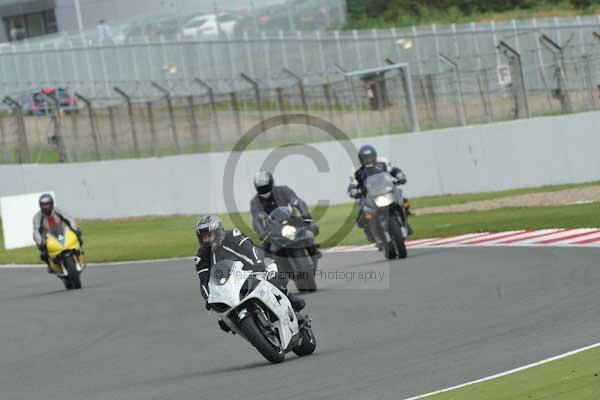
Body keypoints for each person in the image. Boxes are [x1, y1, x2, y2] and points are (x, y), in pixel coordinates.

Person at [194, 215, 305, 331]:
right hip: (229, 285)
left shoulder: (232, 236)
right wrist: (208, 299)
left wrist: (257, 262)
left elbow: (250, 248)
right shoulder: (201, 256)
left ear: (218, 232)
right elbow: (204, 281)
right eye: (203, 237)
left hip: (252, 270)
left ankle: (290, 299)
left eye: (209, 235)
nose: (206, 240)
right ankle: (254, 331)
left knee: (274, 277)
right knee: (224, 323)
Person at [250, 170, 321, 265]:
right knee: (265, 248)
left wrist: (306, 216)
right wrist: (262, 233)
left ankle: (313, 251)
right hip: (272, 228)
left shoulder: (283, 190)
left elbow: (297, 201)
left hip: (291, 221)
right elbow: (256, 219)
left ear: (271, 183)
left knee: (311, 229)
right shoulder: (255, 202)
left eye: (265, 187)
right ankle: (276, 264)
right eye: (261, 188)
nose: (264, 190)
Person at [347, 145, 409, 242]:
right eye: (366, 158)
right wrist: (353, 191)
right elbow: (352, 184)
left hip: (385, 189)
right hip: (368, 194)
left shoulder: (382, 162)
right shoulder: (356, 170)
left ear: (375, 156)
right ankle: (369, 232)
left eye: (371, 157)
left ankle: (404, 222)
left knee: (403, 201)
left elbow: (393, 170)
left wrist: (400, 175)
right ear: (361, 159)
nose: (369, 159)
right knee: (362, 214)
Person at [33, 194, 83, 273]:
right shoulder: (37, 216)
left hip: (59, 232)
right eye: (44, 205)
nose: (46, 207)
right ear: (40, 206)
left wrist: (75, 229)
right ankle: (49, 264)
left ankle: (78, 255)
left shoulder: (58, 210)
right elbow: (36, 230)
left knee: (77, 239)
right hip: (47, 235)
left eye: (48, 204)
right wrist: (41, 242)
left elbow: (68, 219)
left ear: (52, 203)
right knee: (43, 253)